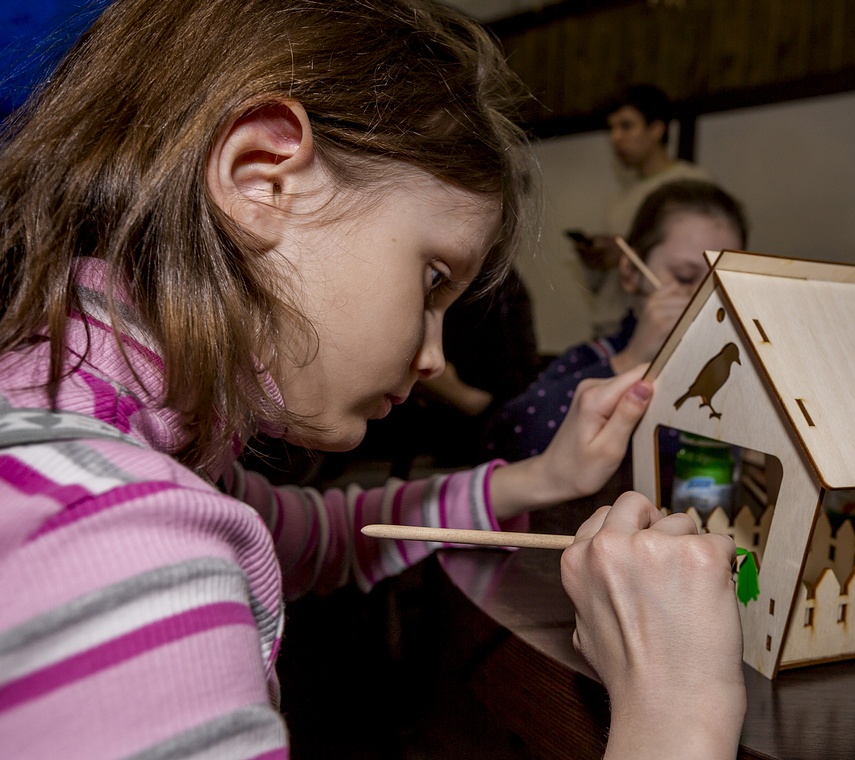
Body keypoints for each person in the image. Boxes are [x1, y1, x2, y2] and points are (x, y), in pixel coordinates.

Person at [0, 1, 744, 757]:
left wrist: (538, 480)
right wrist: (677, 710)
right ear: (263, 180)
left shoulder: (107, 428)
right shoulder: (125, 544)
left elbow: (310, 534)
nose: (432, 356)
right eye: (431, 281)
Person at [485, 179, 748, 463]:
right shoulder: (592, 361)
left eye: (723, 283)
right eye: (684, 277)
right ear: (631, 273)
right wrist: (630, 360)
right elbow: (502, 443)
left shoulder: (736, 375)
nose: (706, 300)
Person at [574, 84, 714, 338]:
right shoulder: (617, 200)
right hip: (609, 326)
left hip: (659, 328)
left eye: (626, 126)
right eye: (612, 128)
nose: (616, 137)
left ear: (656, 129)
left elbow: (698, 265)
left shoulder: (692, 185)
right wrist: (594, 260)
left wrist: (629, 252)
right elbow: (601, 285)